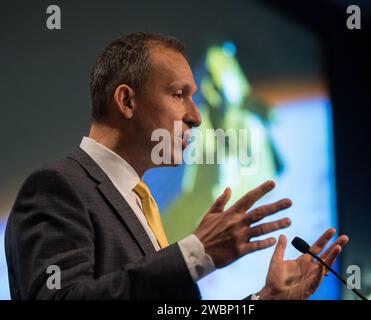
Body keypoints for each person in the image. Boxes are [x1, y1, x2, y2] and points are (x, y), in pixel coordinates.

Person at [5, 32, 349, 300]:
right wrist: (195, 253)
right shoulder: (57, 187)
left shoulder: (140, 202)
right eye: (179, 94)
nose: (196, 116)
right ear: (127, 101)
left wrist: (264, 297)